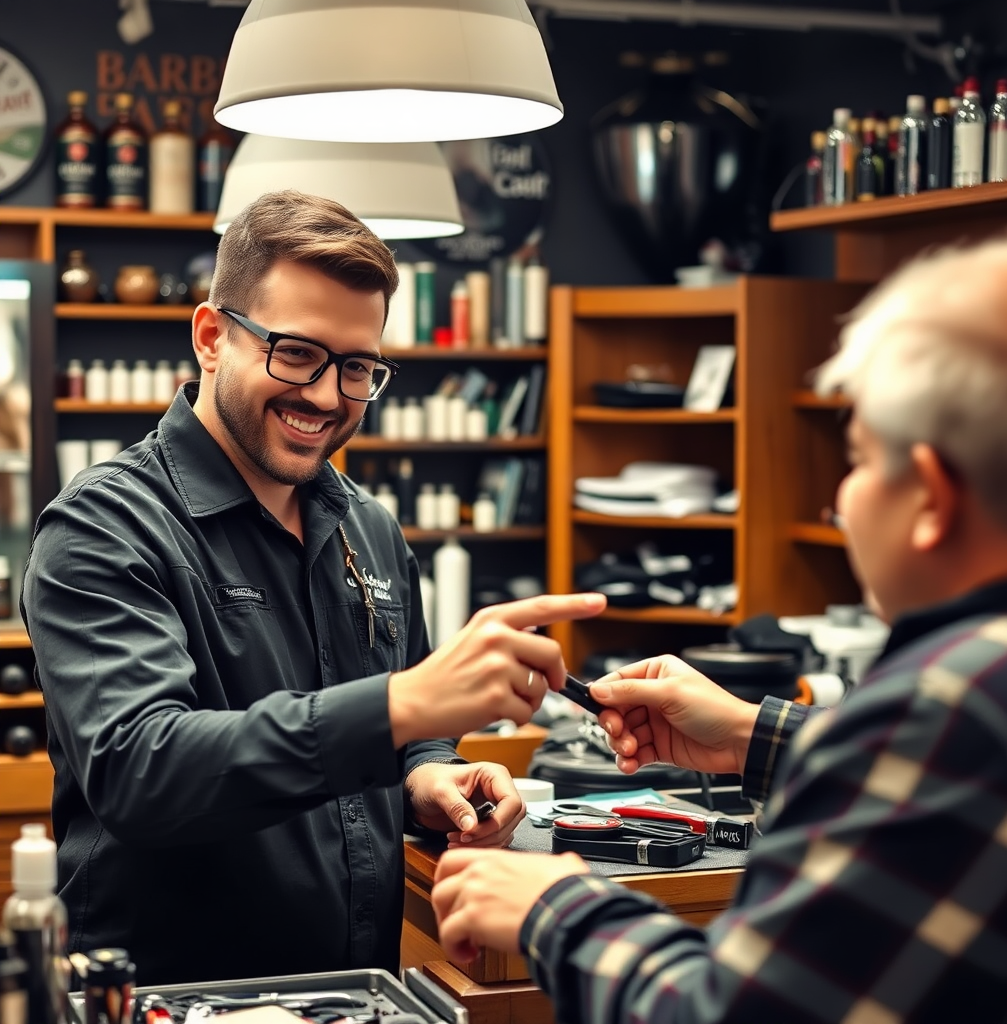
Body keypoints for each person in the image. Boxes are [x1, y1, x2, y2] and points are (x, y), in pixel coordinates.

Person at [431, 235, 1007, 1022]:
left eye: (860, 460)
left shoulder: (953, 700)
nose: (842, 503)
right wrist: (755, 735)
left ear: (932, 501)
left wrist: (555, 906)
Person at [21, 189, 606, 985]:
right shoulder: (102, 525)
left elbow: (404, 736)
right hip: (170, 999)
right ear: (212, 338)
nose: (329, 397)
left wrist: (431, 776)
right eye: (296, 353)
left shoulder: (367, 527)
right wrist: (405, 706)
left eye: (359, 367)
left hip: (351, 992)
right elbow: (141, 770)